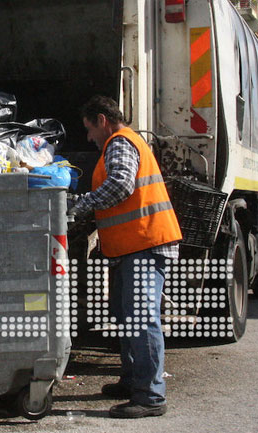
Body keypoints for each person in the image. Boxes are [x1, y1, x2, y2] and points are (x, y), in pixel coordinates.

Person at [68, 96, 182, 418]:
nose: (89, 137)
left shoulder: (119, 143)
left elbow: (120, 185)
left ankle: (149, 397)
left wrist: (80, 204)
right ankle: (133, 381)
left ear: (102, 120)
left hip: (144, 243)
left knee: (142, 318)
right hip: (133, 246)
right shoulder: (122, 143)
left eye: (90, 129)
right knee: (125, 315)